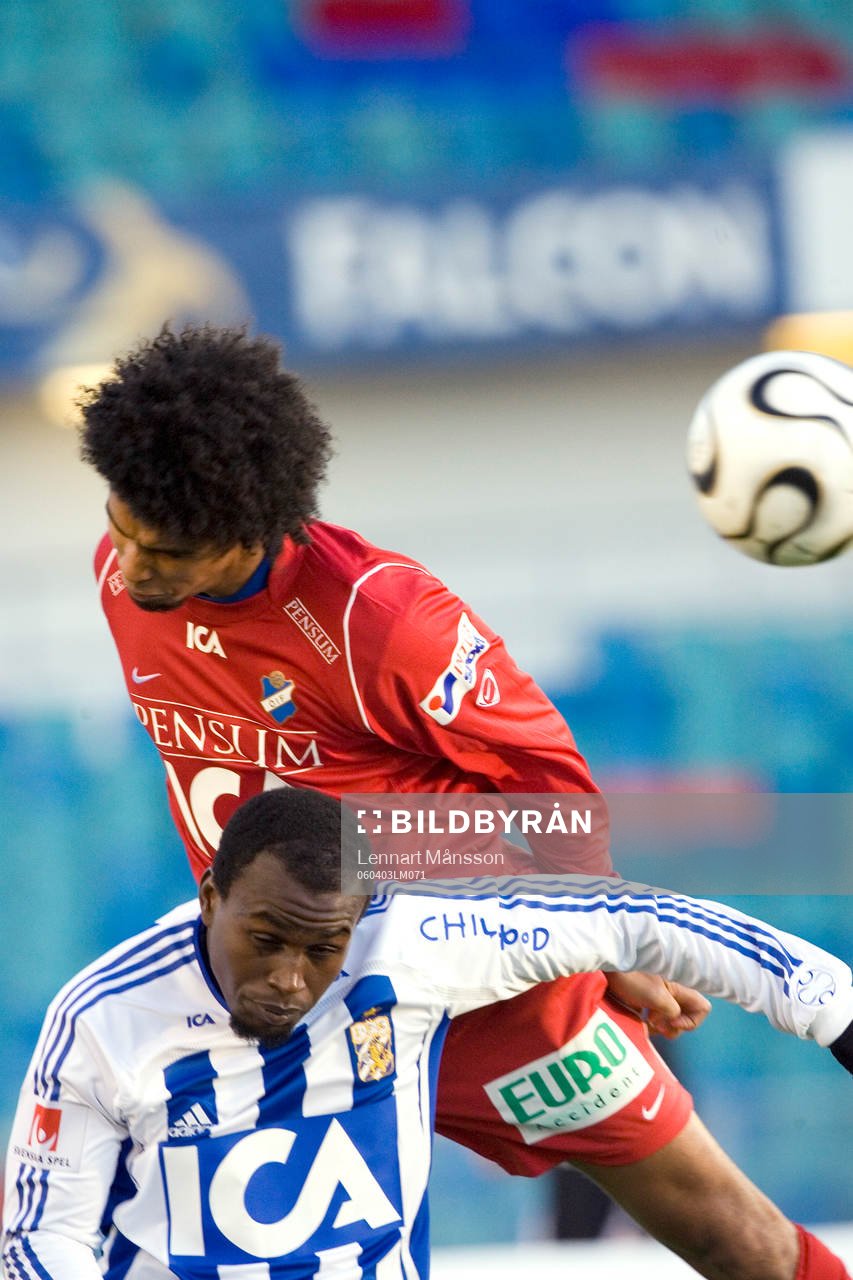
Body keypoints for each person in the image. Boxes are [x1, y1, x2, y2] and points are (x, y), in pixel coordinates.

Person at [77, 324, 847, 1279]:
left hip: (483, 991)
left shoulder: (379, 620)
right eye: (122, 528)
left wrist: (597, 944)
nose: (136, 567)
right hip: (278, 992)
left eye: (172, 550)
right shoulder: (126, 577)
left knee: (734, 1240)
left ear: (249, 525)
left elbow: (552, 803)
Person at [4, 787, 853, 1278]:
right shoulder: (101, 1021)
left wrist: (835, 1013)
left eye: (321, 947)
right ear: (210, 900)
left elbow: (634, 921)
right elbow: (43, 1240)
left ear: (361, 921)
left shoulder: (413, 945)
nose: (291, 979)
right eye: (263, 942)